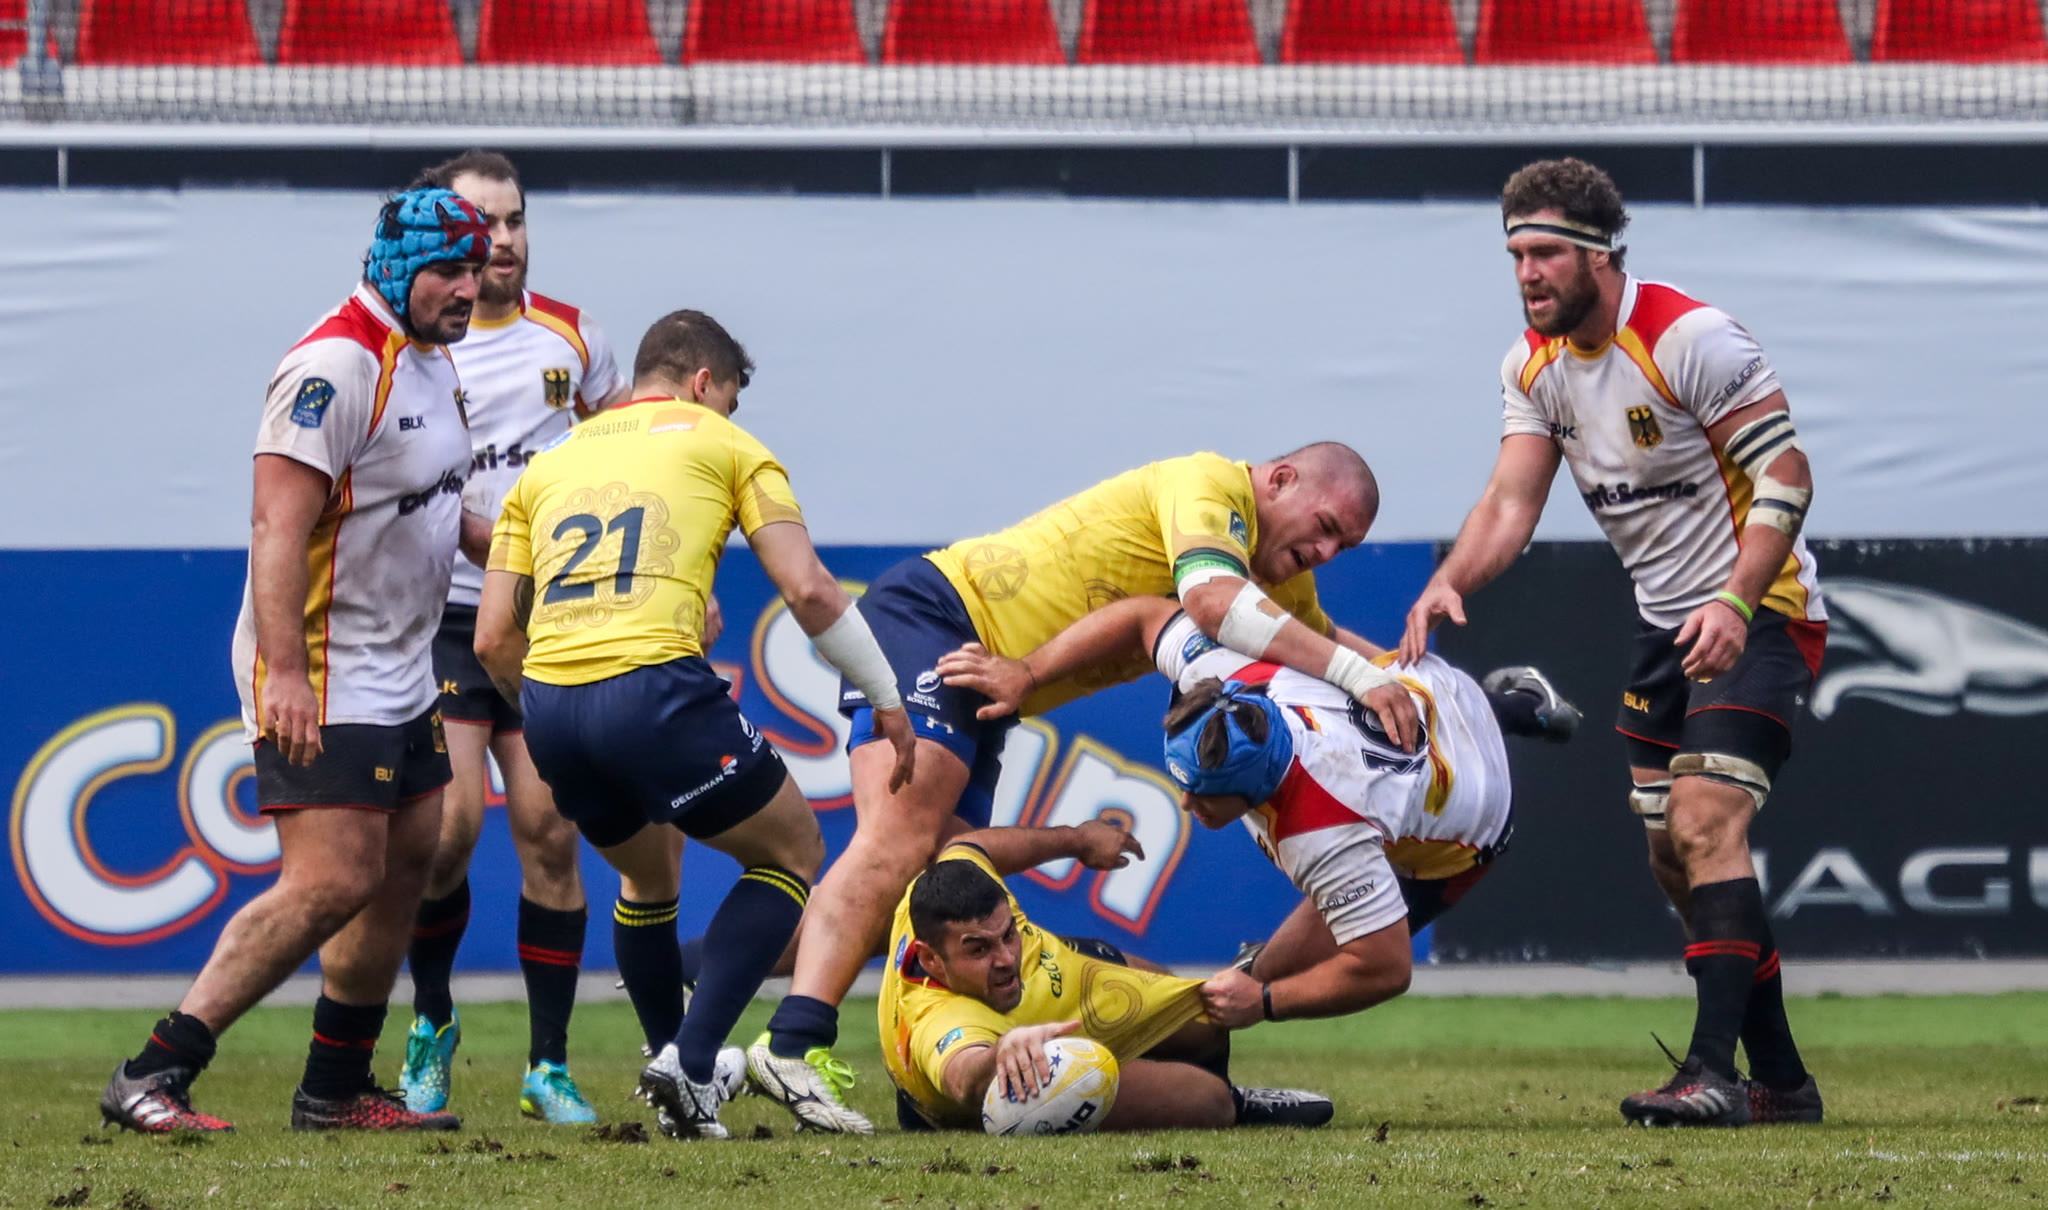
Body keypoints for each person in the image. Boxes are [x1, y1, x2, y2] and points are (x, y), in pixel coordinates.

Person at [745, 444, 1419, 1134]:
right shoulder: (1210, 483)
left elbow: (1329, 644)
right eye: (1326, 526)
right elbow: (1214, 602)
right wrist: (1365, 678)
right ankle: (792, 1045)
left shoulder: (1276, 583)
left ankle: (705, 991)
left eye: (1344, 546)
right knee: (898, 846)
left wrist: (1429, 691)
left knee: (927, 888)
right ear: (1279, 480)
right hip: (941, 620)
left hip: (985, 683)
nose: (1326, 552)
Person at [1399, 158, 1826, 1128]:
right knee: (1675, 860)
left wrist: (1734, 599)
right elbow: (1509, 501)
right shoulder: (1531, 366)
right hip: (1662, 626)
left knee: (1704, 824)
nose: (1526, 273)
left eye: (1545, 252)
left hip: (1760, 608)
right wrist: (1449, 578)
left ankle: (1712, 1072)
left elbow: (1788, 478)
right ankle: (1783, 1081)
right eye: (1515, 254)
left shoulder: (1688, 337)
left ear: (1599, 255)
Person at [100, 187, 492, 1133]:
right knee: (331, 880)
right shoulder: (336, 364)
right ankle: (153, 1071)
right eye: (448, 270)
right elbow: (275, 527)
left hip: (402, 666)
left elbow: (435, 508)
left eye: (476, 269)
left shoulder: (433, 359)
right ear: (397, 267)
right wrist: (285, 674)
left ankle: (336, 1086)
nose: (468, 288)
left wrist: (536, 552)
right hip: (326, 663)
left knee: (408, 861)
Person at [473, 309, 917, 1140]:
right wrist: (886, 696)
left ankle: (672, 1071)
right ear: (704, 383)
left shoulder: (546, 465)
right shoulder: (729, 444)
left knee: (648, 878)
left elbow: (493, 637)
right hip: (654, 689)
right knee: (792, 852)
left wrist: (549, 709)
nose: (730, 414)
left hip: (551, 707)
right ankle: (694, 1061)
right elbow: (810, 590)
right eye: (730, 399)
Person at [936, 594, 1575, 1029]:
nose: (1184, 803)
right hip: (1430, 688)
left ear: (1257, 793)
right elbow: (1143, 615)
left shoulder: (1325, 829)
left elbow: (1384, 969)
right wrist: (1029, 672)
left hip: (1473, 820)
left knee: (1313, 954)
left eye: (1201, 794)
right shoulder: (1221, 678)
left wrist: (1266, 999)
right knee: (1324, 646)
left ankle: (1511, 710)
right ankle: (1513, 707)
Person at [397, 149, 630, 1126]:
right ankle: (431, 1020)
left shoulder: (575, 338)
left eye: (515, 219)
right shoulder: (422, 348)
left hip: (551, 618)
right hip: (452, 615)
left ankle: (548, 1066)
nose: (501, 240)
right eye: (481, 223)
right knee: (447, 832)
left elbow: (630, 458)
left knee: (549, 830)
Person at [883, 825, 1334, 1133]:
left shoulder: (949, 892)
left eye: (1008, 935)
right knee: (1208, 1101)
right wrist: (1001, 1054)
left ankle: (1246, 984)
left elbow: (967, 845)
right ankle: (1238, 1102)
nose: (1005, 959)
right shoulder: (936, 1019)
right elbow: (963, 1078)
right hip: (1029, 1068)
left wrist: (1077, 839)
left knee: (1209, 1016)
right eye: (978, 950)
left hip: (1065, 976)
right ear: (931, 959)